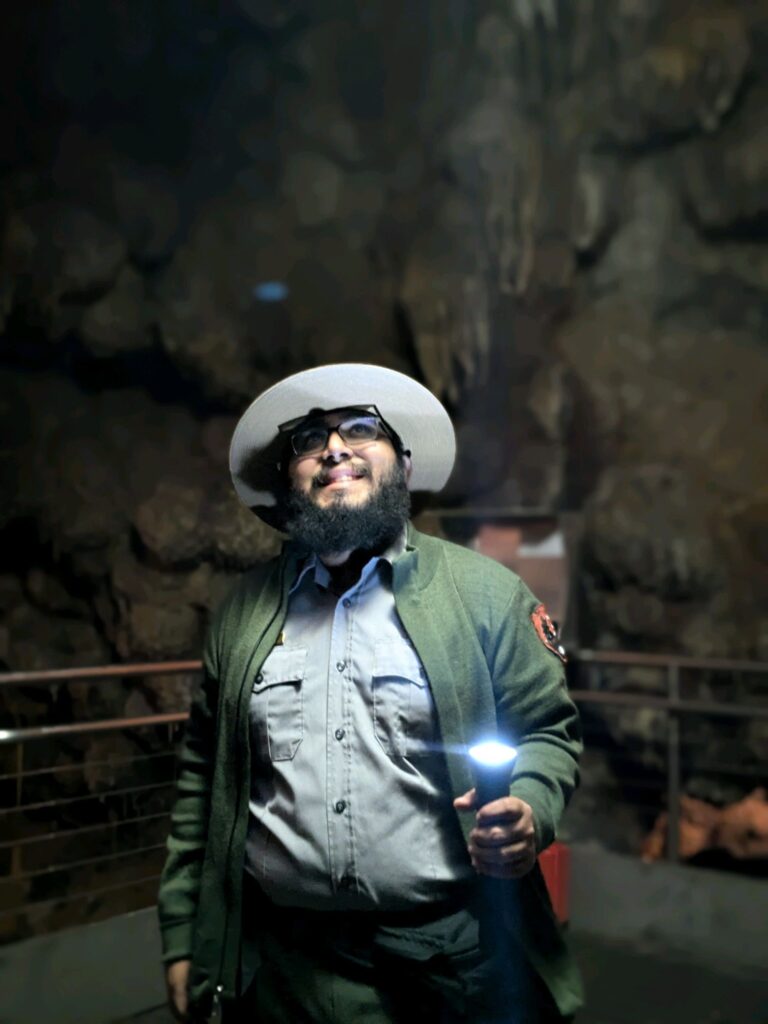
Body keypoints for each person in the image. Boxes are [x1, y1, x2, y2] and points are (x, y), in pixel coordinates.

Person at [158, 363, 583, 1023]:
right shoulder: (243, 612)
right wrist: (185, 937)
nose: (334, 448)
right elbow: (201, 781)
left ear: (404, 467)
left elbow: (547, 731)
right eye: (308, 440)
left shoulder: (486, 594)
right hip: (288, 965)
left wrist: (530, 806)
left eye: (361, 430)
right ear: (288, 482)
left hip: (454, 959)